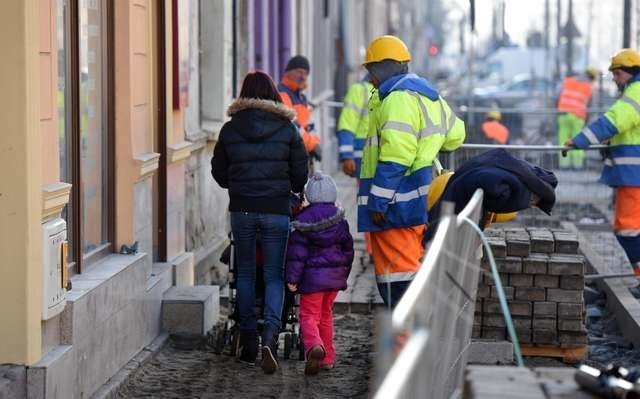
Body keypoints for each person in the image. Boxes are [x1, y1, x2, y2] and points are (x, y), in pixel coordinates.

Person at [210, 71, 309, 374]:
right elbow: (300, 175)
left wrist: (238, 184)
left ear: (244, 94)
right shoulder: (288, 129)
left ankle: (249, 339)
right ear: (274, 95)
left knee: (245, 273)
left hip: (242, 209)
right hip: (277, 210)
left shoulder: (230, 129)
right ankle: (271, 337)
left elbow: (218, 171)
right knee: (275, 275)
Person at [358, 35, 466, 308]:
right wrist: (428, 147)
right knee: (409, 267)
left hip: (396, 201)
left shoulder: (396, 99)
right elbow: (456, 136)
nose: (369, 78)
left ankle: (406, 342)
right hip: (420, 192)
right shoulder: (429, 95)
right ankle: (411, 339)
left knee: (397, 277)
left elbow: (396, 156)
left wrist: (379, 200)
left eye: (371, 71)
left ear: (382, 68)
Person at [564, 49, 640, 276]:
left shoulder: (635, 93)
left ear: (629, 72)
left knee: (627, 229)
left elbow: (612, 122)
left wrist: (579, 141)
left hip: (633, 176)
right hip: (632, 176)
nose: (615, 80)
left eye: (617, 74)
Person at [285, 172, 354, 375]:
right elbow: (348, 250)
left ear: (309, 196)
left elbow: (297, 255)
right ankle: (328, 358)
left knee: (308, 316)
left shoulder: (302, 222)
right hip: (333, 281)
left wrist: (292, 279)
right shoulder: (340, 220)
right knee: (326, 316)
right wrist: (343, 273)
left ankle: (314, 346)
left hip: (312, 281)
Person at [425, 148, 558, 242]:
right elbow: (486, 180)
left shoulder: (510, 167)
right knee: (434, 240)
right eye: (533, 204)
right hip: (453, 210)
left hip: (453, 204)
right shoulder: (512, 185)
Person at [278, 55, 322, 162]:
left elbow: (310, 126)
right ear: (288, 72)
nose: (303, 76)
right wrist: (312, 145)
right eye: (299, 72)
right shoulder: (282, 93)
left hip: (302, 153)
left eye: (306, 73)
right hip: (288, 155)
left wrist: (315, 143)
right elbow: (292, 124)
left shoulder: (302, 98)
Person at [557, 67, 598, 168]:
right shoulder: (589, 87)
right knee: (577, 140)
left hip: (563, 114)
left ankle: (564, 166)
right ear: (592, 78)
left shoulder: (567, 81)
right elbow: (591, 105)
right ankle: (577, 166)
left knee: (563, 140)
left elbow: (557, 96)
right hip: (578, 116)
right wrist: (587, 119)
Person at [337, 77, 375, 177]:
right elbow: (347, 124)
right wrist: (347, 155)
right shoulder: (359, 90)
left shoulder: (393, 91)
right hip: (363, 156)